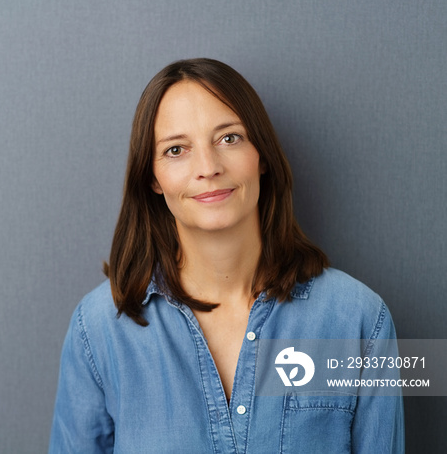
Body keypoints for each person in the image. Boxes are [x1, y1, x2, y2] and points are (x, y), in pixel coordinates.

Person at [49, 58, 404, 453]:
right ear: (151, 177)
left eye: (229, 138)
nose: (208, 167)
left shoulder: (359, 320)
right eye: (176, 149)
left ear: (262, 155)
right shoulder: (97, 330)